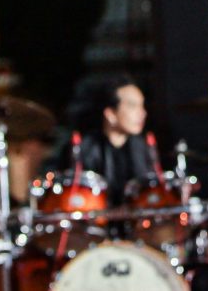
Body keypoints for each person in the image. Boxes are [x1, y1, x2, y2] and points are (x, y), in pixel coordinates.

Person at [58, 75, 153, 207]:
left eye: (142, 105)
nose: (142, 113)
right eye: (133, 106)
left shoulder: (143, 147)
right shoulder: (84, 148)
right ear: (110, 114)